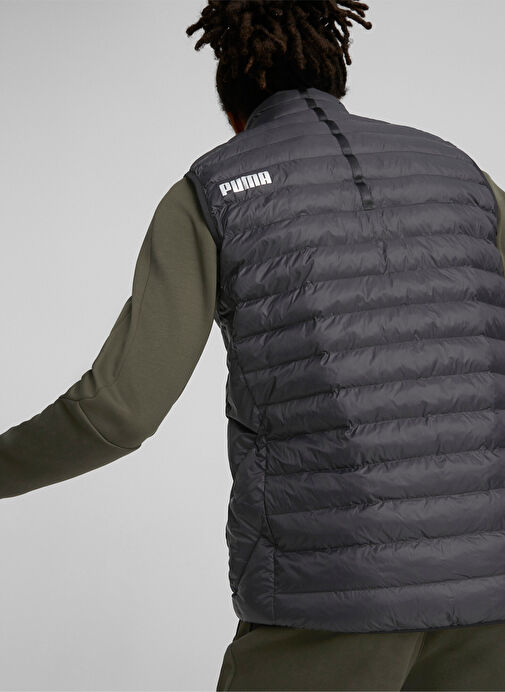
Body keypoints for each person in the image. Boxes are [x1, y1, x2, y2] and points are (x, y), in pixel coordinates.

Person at [1, 1, 505, 690]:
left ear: (233, 104)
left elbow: (117, 411)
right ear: (336, 73)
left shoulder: (212, 191)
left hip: (328, 599)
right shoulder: (462, 173)